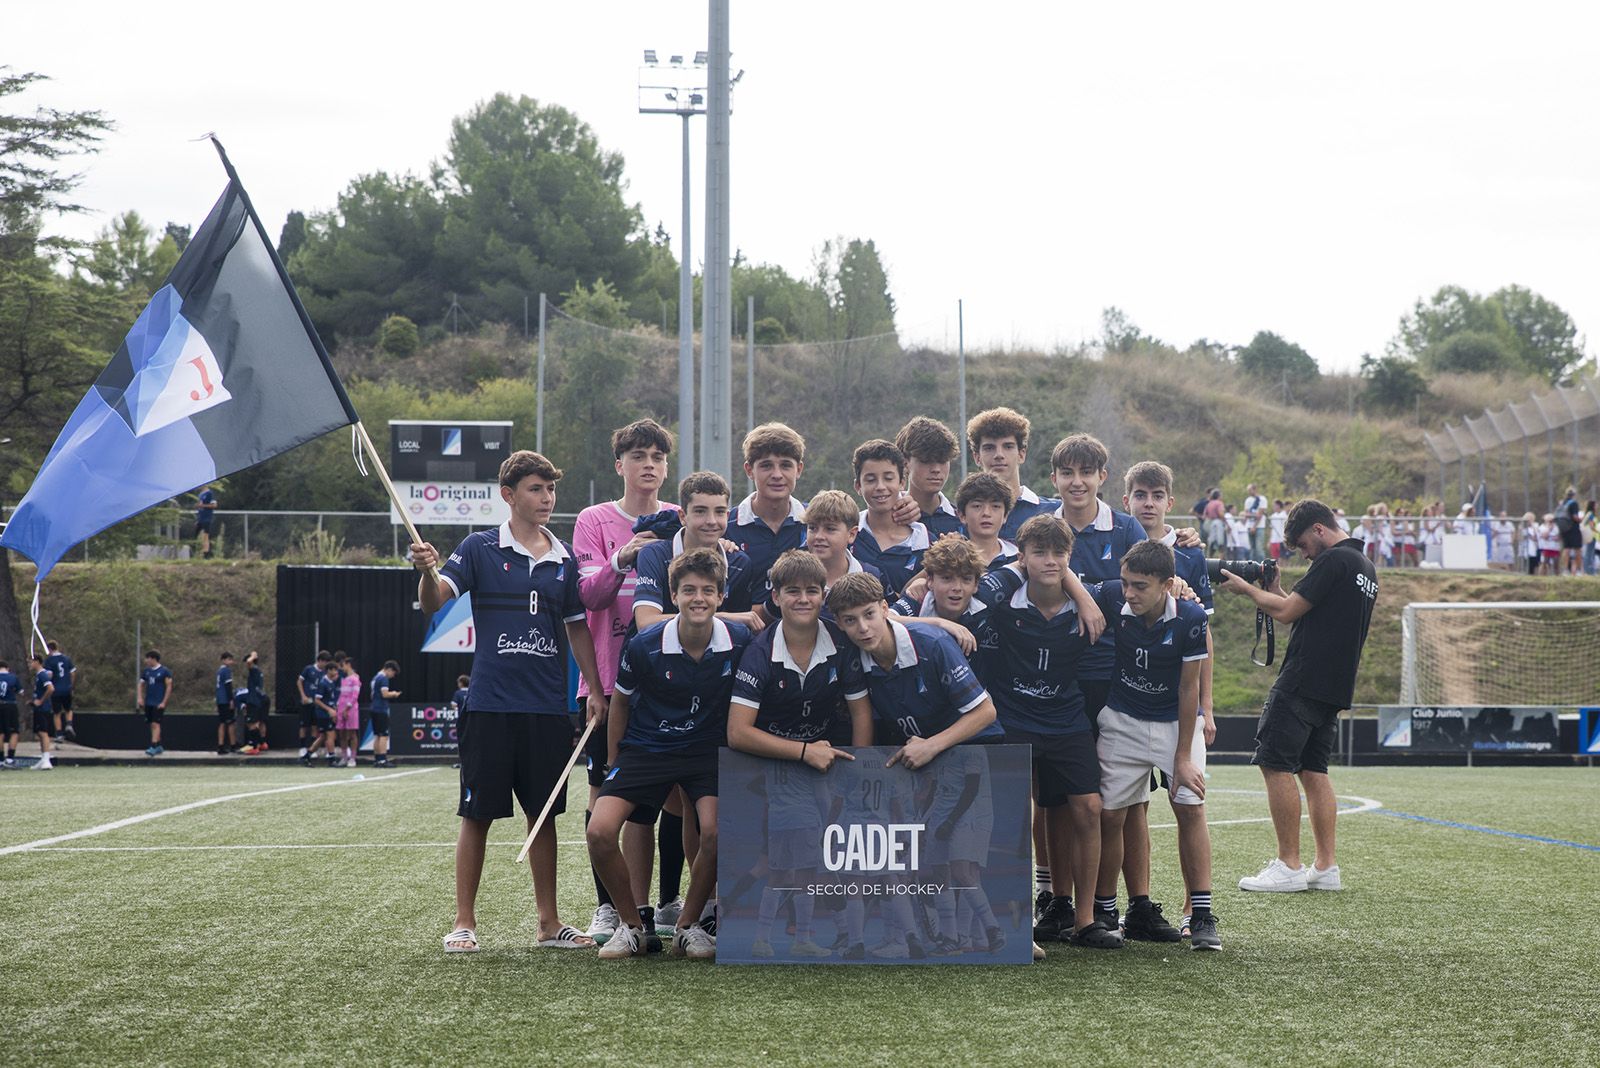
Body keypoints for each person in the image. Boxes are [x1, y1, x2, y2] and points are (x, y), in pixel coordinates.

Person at [410, 449, 608, 954]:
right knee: (475, 814)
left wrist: (595, 690)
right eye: (536, 489)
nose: (547, 499)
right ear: (508, 495)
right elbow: (436, 601)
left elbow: (577, 627)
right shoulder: (478, 548)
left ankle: (548, 924)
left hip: (546, 708)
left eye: (551, 489)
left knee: (542, 816)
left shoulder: (564, 558)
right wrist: (427, 571)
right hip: (490, 704)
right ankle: (464, 922)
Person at [589, 548, 754, 960]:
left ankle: (688, 925)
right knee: (599, 831)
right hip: (648, 747)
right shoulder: (645, 644)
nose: (698, 598)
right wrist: (615, 763)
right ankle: (632, 928)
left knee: (716, 831)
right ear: (673, 595)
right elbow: (621, 705)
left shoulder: (741, 641)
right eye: (689, 590)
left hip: (706, 751)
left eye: (708, 591)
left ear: (721, 596)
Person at [971, 516, 1117, 950]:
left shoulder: (1093, 600)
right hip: (1014, 718)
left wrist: (1084, 597)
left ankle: (1085, 920)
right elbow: (970, 593)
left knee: (1089, 808)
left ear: (1070, 557)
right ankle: (1017, 914)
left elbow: (1153, 589)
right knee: (1013, 815)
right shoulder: (1003, 597)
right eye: (1039, 553)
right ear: (1022, 556)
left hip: (1067, 718)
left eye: (1059, 554)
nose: (1050, 561)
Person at [1218, 499, 1377, 894]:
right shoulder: (1364, 567)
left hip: (1303, 680)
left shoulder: (1334, 561)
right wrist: (1275, 592)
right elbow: (1304, 610)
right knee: (1313, 771)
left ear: (1320, 529)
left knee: (1274, 763)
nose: (1304, 554)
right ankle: (1326, 867)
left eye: (1304, 545)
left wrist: (1246, 590)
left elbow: (1287, 613)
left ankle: (1289, 864)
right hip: (1334, 686)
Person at [727, 550, 872, 959]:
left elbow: (861, 711)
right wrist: (803, 751)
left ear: (824, 595)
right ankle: (756, 937)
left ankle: (806, 937)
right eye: (793, 591)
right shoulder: (759, 651)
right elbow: (738, 733)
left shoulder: (840, 642)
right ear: (775, 596)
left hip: (822, 769)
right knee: (781, 866)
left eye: (812, 591)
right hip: (771, 771)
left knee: (811, 865)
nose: (803, 599)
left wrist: (857, 773)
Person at [571, 418, 679, 943]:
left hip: (672, 681)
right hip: (609, 681)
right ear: (620, 466)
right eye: (638, 455)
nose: (649, 464)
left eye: (657, 456)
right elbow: (586, 595)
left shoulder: (681, 518)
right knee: (605, 790)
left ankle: (669, 902)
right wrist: (624, 556)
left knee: (678, 788)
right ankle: (609, 907)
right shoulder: (594, 519)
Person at [1091, 541, 1218, 950]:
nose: (1129, 593)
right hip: (1122, 720)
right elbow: (1072, 585)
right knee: (1110, 816)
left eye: (1140, 586)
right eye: (1126, 583)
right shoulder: (1113, 595)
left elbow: (1188, 688)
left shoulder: (1192, 617)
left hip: (1174, 724)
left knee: (1189, 806)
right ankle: (1105, 911)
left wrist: (1181, 757)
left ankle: (1200, 915)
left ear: (1167, 585)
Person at [1120, 461, 1217, 938]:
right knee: (1129, 805)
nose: (1149, 503)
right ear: (1127, 501)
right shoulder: (1118, 542)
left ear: (1170, 502)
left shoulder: (1189, 554)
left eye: (1157, 495)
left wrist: (1209, 707)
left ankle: (1195, 911)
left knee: (1189, 802)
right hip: (1127, 703)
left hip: (1179, 705)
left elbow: (1203, 638)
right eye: (1141, 494)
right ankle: (1135, 904)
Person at [848, 438, 930, 600]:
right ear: (858, 486)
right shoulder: (847, 536)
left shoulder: (926, 543)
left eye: (888, 478)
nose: (880, 487)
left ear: (902, 482)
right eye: (870, 480)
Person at [726, 422, 808, 582]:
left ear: (798, 470)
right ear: (749, 470)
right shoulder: (726, 526)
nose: (777, 474)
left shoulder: (815, 522)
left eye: (785, 465)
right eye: (766, 466)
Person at [965, 407, 1056, 539]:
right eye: (989, 448)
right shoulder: (964, 518)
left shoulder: (1053, 512)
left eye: (1008, 446)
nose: (999, 455)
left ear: (1021, 454)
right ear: (977, 457)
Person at [894, 416, 963, 538]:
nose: (936, 469)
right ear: (905, 463)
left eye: (942, 460)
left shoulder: (963, 520)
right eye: (926, 460)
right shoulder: (889, 519)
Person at [954, 472, 1018, 569]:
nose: (986, 513)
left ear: (1005, 515)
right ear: (962, 515)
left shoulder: (1019, 556)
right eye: (977, 506)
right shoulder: (952, 558)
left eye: (995, 506)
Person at [297, 650, 332, 761]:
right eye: (324, 663)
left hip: (317, 703)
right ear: (320, 661)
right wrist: (303, 696)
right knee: (303, 725)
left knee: (315, 726)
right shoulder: (308, 669)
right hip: (307, 701)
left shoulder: (325, 672)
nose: (325, 666)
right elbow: (299, 681)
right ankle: (302, 747)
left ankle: (312, 749)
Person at [138, 650, 172, 757]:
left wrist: (164, 702)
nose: (146, 661)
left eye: (147, 658)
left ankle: (153, 746)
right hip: (149, 702)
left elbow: (169, 687)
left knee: (155, 724)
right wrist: (140, 698)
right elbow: (141, 684)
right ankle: (158, 745)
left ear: (153, 659)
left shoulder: (164, 671)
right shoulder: (146, 671)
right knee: (152, 724)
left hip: (158, 703)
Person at [43, 639, 76, 742]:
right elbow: (73, 672)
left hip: (56, 690)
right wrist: (71, 684)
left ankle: (59, 734)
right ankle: (69, 724)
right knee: (68, 709)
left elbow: (49, 674)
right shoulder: (66, 659)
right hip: (66, 688)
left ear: (49, 649)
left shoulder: (49, 661)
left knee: (57, 713)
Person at [370, 661, 400, 768]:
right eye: (393, 673)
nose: (392, 676)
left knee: (377, 735)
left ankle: (377, 759)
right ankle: (383, 760)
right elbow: (385, 694)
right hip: (381, 709)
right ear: (389, 669)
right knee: (384, 735)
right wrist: (394, 694)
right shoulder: (383, 678)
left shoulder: (375, 677)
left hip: (374, 707)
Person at [238, 651, 267, 754]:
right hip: (256, 700)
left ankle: (254, 747)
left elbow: (249, 662)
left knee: (251, 724)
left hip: (254, 701)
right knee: (254, 723)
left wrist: (253, 655)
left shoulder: (254, 669)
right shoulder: (258, 671)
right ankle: (260, 744)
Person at [29, 657, 55, 770]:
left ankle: (46, 760)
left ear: (37, 662)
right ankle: (43, 758)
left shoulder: (42, 674)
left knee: (43, 733)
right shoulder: (39, 675)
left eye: (31, 661)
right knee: (39, 732)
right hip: (39, 709)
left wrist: (41, 701)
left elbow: (50, 688)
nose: (29, 664)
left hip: (43, 709)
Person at [314, 661, 342, 767]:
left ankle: (308, 754)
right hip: (323, 714)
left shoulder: (331, 682)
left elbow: (331, 700)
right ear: (329, 670)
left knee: (323, 737)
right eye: (334, 670)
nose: (336, 672)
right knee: (330, 736)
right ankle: (332, 759)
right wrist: (329, 710)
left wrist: (334, 710)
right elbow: (317, 700)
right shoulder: (323, 683)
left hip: (329, 714)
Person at [336, 658, 362, 768]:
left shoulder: (355, 679)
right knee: (342, 734)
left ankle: (352, 758)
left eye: (343, 665)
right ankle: (344, 757)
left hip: (351, 710)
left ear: (348, 665)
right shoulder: (344, 679)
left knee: (352, 734)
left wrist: (347, 709)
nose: (342, 668)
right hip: (341, 709)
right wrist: (339, 709)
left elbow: (355, 696)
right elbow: (341, 696)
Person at [214, 652, 236, 755]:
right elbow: (228, 686)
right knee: (230, 723)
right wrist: (231, 700)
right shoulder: (226, 671)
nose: (231, 662)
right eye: (228, 659)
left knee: (222, 722)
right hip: (225, 700)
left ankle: (221, 745)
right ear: (223, 660)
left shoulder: (219, 671)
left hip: (220, 700)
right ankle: (233, 745)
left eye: (231, 660)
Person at [0, 660, 20, 767]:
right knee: (14, 731)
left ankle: (0, 759)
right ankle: (10, 759)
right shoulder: (13, 677)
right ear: (7, 668)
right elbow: (20, 691)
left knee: (0, 733)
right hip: (10, 705)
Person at [1558, 487, 1582, 576]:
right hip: (1573, 529)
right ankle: (1579, 570)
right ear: (1574, 495)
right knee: (1577, 549)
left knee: (1566, 549)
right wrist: (1581, 520)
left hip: (1564, 529)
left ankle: (1565, 570)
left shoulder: (1562, 503)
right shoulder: (1574, 503)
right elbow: (1575, 517)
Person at [1243, 484, 1267, 560]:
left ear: (1255, 489)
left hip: (1259, 527)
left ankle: (1262, 567)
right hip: (1249, 526)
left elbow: (1260, 515)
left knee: (1259, 549)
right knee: (1252, 549)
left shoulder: (1262, 499)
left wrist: (1254, 526)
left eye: (1250, 490)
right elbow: (1246, 514)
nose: (1249, 492)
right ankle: (1252, 567)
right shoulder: (1248, 500)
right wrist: (1254, 515)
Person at [195, 484, 218, 558]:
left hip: (207, 518)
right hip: (200, 518)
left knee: (205, 535)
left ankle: (206, 553)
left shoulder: (210, 493)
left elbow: (214, 505)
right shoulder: (200, 494)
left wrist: (203, 506)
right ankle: (198, 552)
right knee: (197, 535)